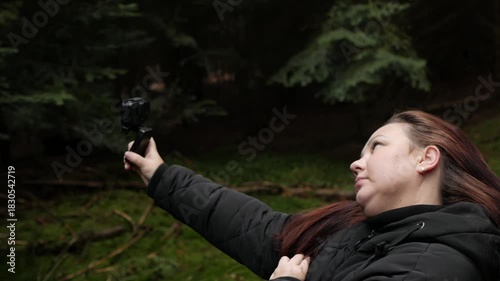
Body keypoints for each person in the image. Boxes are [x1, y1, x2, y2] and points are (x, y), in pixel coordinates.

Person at [123, 110, 500, 281]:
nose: (356, 162)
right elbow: (256, 226)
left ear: (426, 158)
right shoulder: (361, 231)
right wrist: (161, 176)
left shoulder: (434, 267)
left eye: (376, 147)